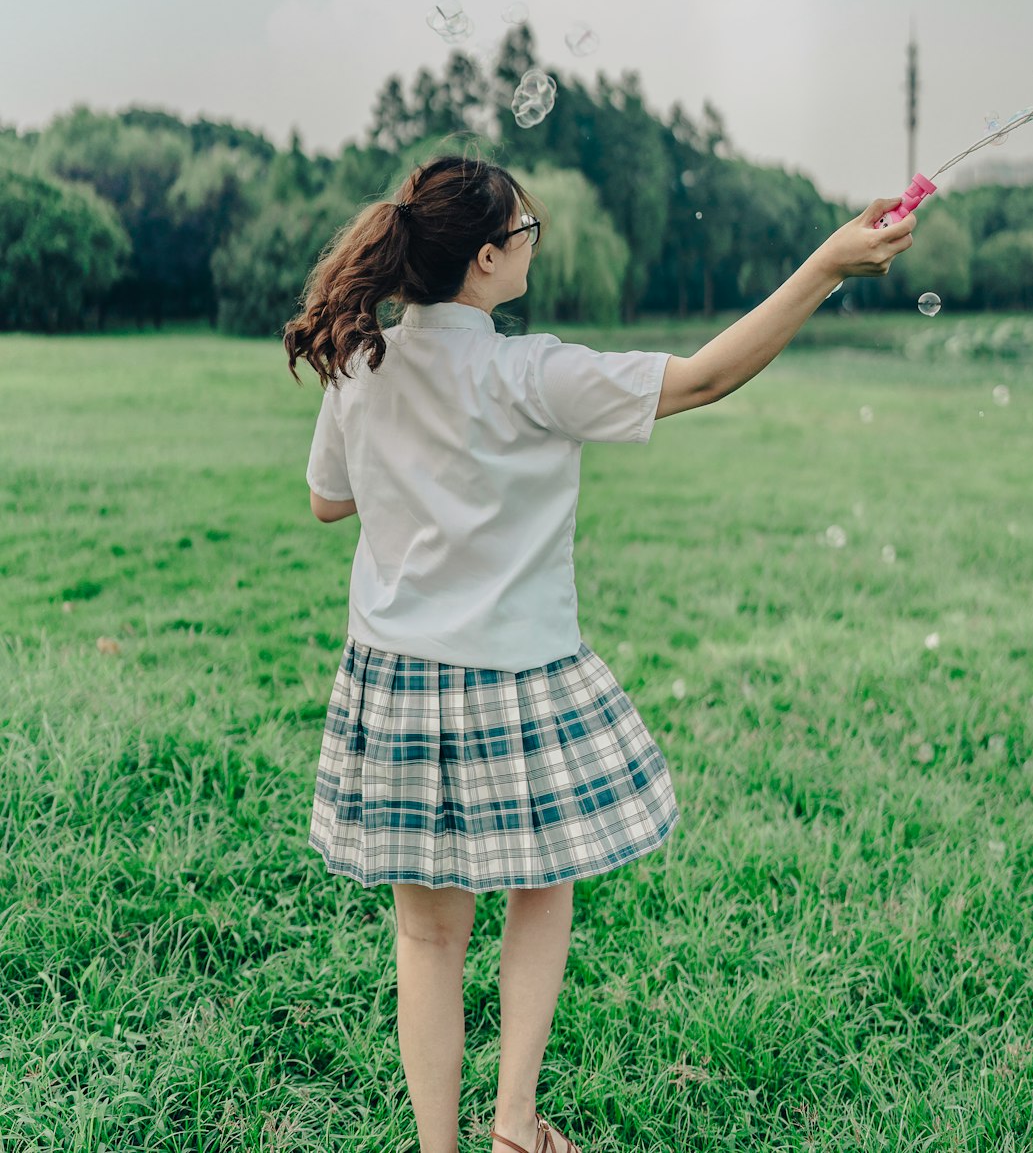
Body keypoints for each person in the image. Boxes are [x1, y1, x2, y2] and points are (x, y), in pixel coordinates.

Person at [282, 152, 916, 1153]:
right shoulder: (531, 372)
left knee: (427, 935)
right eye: (526, 232)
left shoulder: (363, 361)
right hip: (516, 677)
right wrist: (828, 264)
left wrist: (412, 465)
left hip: (397, 681)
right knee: (544, 886)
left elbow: (328, 500)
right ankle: (513, 1126)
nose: (535, 241)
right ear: (485, 259)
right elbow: (705, 375)